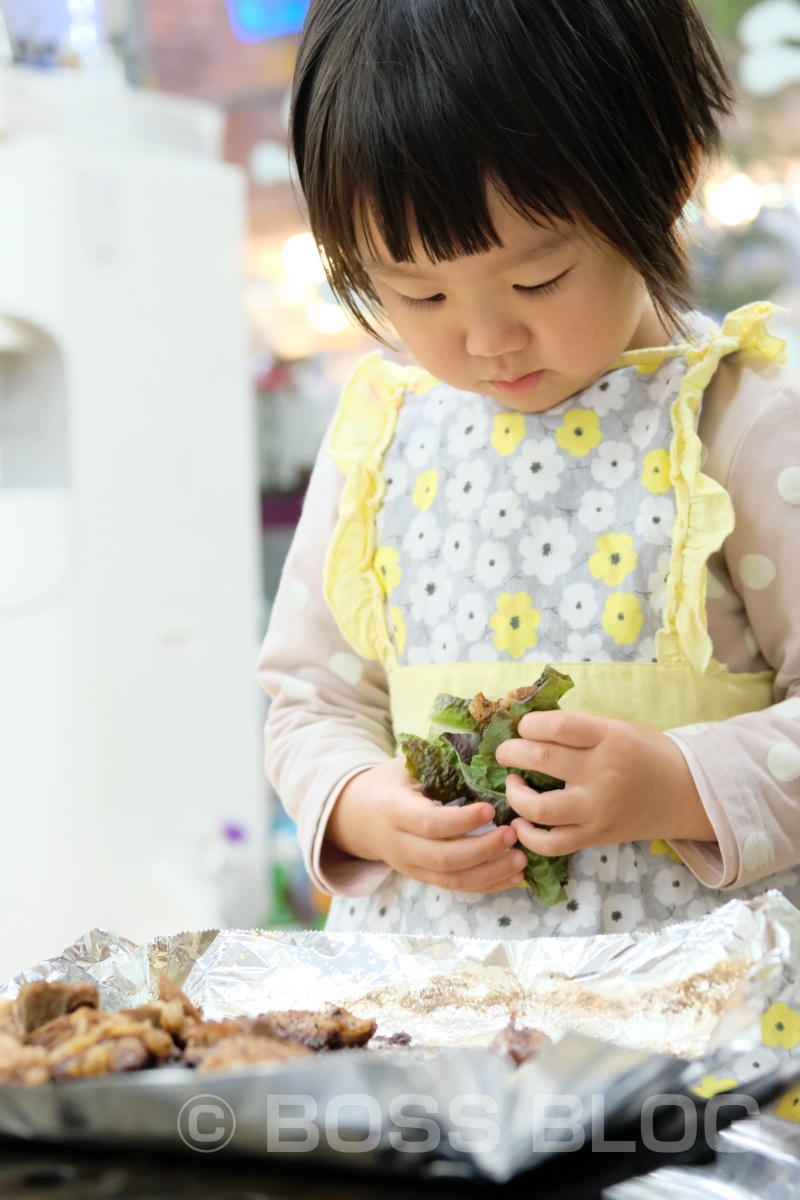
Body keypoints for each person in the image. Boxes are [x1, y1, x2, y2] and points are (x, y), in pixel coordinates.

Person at [258, 0, 800, 942]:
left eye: (539, 280)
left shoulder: (737, 422)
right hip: (425, 1011)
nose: (485, 339)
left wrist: (678, 786)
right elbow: (312, 703)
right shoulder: (381, 444)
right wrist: (362, 802)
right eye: (416, 293)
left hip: (691, 1028)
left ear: (664, 171)